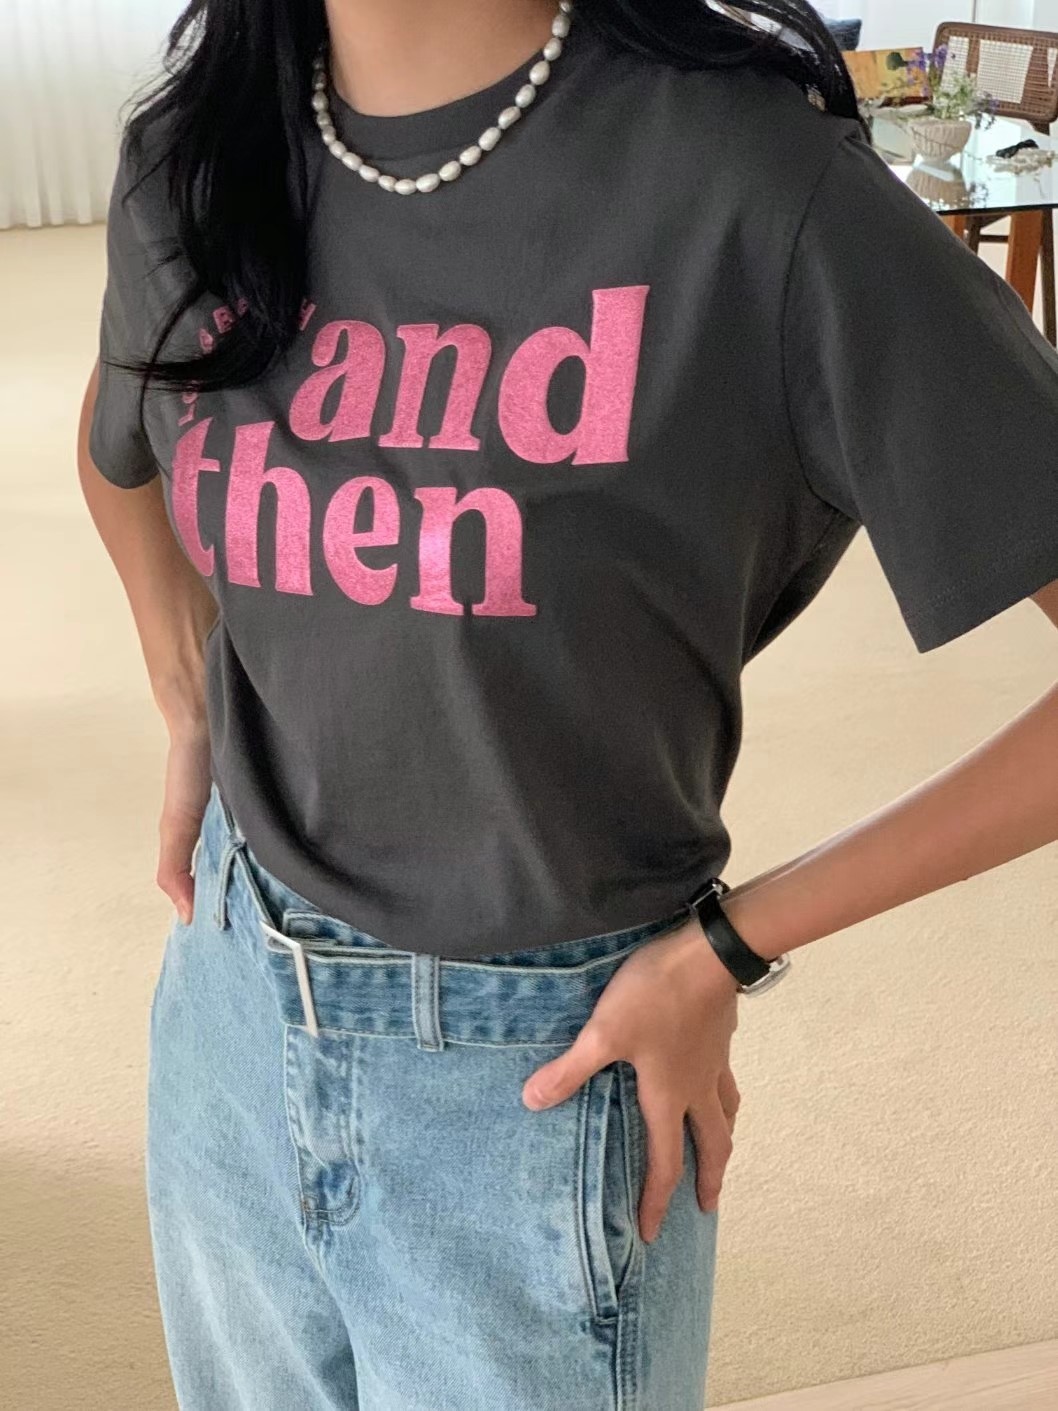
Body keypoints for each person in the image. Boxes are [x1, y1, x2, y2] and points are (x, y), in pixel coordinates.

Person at [78, 1, 1058, 1407]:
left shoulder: (752, 188)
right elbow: (122, 443)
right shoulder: (195, 151)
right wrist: (187, 704)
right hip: (228, 1009)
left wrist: (727, 947)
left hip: (539, 1068)